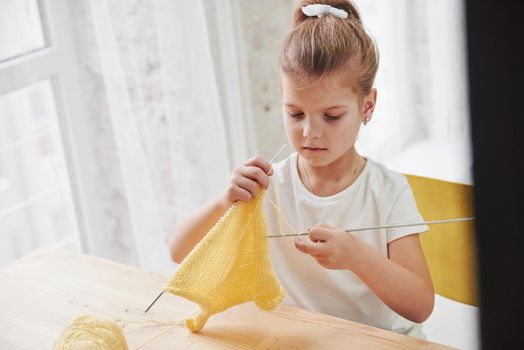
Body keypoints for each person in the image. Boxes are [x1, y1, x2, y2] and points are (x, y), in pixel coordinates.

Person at [169, 0, 434, 339]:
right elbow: (179, 253)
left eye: (332, 116)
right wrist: (225, 200)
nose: (310, 132)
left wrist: (356, 256)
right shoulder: (270, 185)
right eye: (295, 114)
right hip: (300, 340)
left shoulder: (387, 191)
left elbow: (420, 304)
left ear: (367, 106)